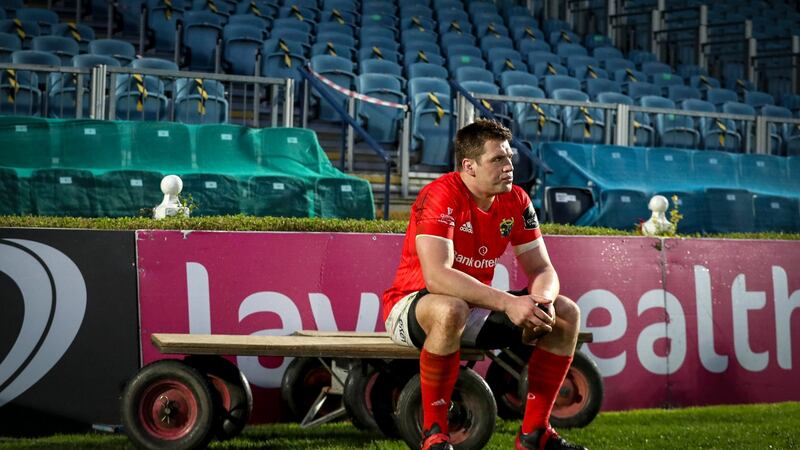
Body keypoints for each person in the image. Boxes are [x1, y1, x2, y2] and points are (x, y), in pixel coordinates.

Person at [382, 120, 587, 450]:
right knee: (451, 307)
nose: (509, 167)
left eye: (510, 158)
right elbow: (437, 277)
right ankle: (434, 434)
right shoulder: (440, 194)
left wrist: (542, 303)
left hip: (473, 310)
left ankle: (535, 434)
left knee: (565, 312)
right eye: (497, 160)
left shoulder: (517, 200)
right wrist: (509, 303)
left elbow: (542, 268)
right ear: (469, 166)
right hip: (412, 304)